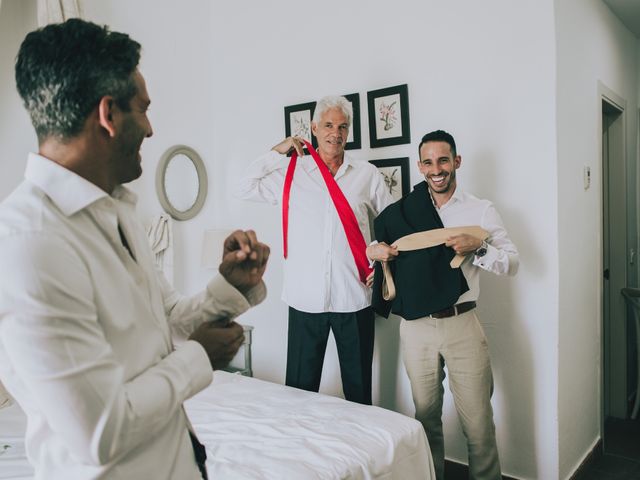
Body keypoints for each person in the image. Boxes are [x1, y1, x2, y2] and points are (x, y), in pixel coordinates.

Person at [0, 19, 270, 480]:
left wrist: (229, 287)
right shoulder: (31, 245)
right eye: (143, 110)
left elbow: (162, 320)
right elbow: (98, 432)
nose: (150, 127)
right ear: (108, 115)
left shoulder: (119, 211)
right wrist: (198, 359)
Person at [367, 130, 519, 480]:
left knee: (479, 425)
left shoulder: (480, 210)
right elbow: (380, 252)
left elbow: (512, 264)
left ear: (457, 162)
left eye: (444, 160)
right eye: (429, 162)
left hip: (462, 323)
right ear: (420, 166)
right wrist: (371, 253)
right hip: (416, 328)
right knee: (425, 420)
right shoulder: (403, 213)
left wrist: (477, 248)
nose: (437, 169)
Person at [236, 96, 392, 405]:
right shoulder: (291, 173)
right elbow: (242, 187)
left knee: (359, 393)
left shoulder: (367, 174)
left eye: (343, 127)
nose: (336, 133)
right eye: (329, 125)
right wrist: (275, 152)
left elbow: (391, 225)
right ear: (314, 128)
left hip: (355, 297)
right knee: (298, 392)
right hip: (305, 298)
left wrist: (380, 261)